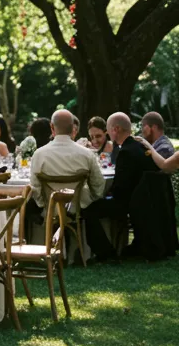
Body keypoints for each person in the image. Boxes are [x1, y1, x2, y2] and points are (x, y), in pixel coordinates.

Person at [83, 112, 159, 260]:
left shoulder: (126, 152)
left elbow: (120, 188)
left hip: (128, 203)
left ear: (115, 129)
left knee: (89, 209)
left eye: (108, 129)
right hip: (145, 201)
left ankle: (105, 253)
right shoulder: (140, 146)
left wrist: (105, 193)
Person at [29, 109, 105, 214]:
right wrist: (88, 201)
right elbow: (98, 185)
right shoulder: (87, 154)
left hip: (50, 211)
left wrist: (43, 205)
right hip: (79, 211)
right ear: (73, 127)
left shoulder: (39, 155)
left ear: (52, 127)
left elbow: (35, 188)